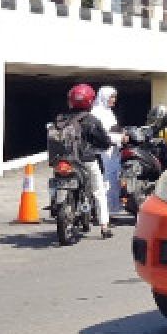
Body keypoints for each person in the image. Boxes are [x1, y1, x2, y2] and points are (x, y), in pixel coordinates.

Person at [60, 83, 118, 238]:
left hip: (64, 159)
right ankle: (104, 227)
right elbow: (103, 141)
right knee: (99, 191)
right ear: (90, 100)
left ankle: (57, 202)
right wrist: (108, 143)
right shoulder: (91, 120)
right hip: (87, 160)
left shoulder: (61, 119)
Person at [91, 86, 123, 219]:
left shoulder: (109, 112)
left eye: (115, 97)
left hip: (112, 152)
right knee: (104, 182)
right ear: (104, 97)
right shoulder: (96, 113)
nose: (114, 100)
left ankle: (111, 210)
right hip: (103, 153)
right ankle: (102, 212)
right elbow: (101, 135)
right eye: (111, 97)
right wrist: (118, 137)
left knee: (112, 180)